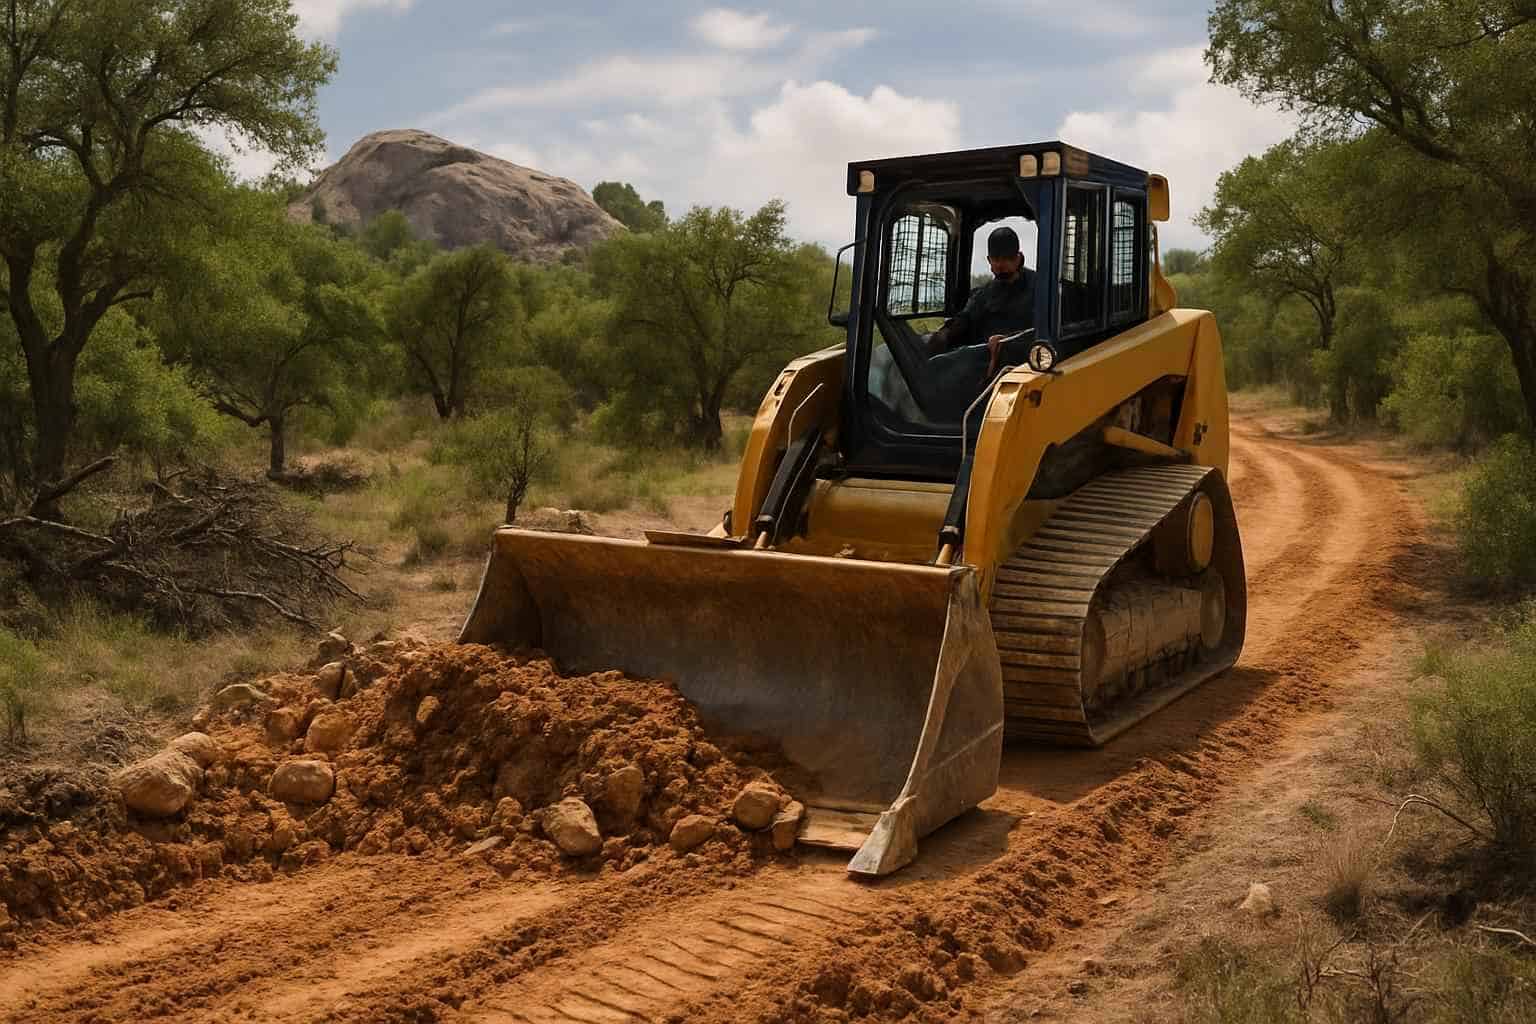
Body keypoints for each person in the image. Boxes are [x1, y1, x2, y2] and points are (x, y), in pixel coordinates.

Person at [926, 225, 1035, 373]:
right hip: (985, 362)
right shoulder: (984, 294)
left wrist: (1009, 340)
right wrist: (945, 334)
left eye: (1007, 259)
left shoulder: (1040, 289)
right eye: (996, 259)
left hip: (1027, 365)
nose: (1001, 265)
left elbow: (1044, 332)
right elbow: (965, 318)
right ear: (989, 260)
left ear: (1019, 258)